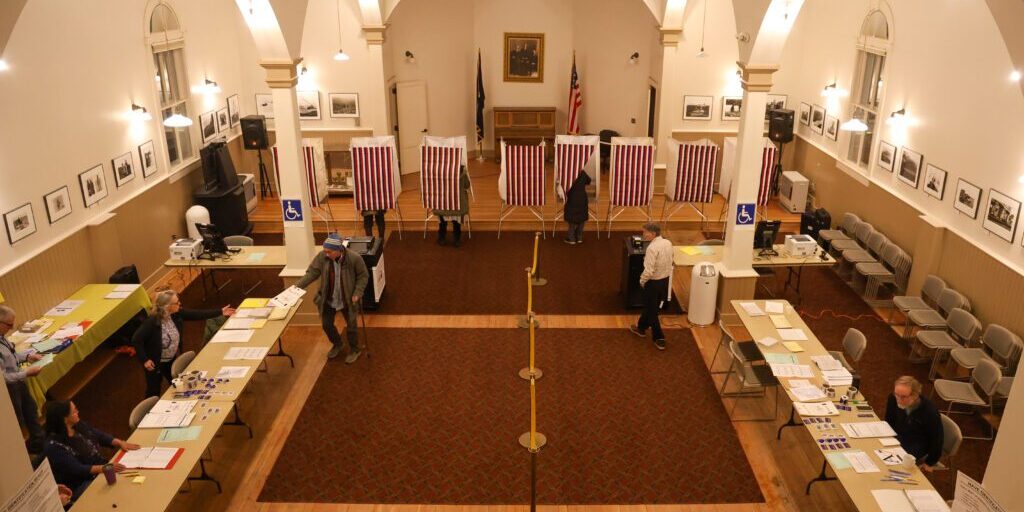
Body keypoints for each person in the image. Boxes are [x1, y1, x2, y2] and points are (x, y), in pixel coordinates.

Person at [132, 290, 234, 397]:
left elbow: (197, 314)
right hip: (155, 363)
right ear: (167, 306)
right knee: (153, 391)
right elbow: (136, 339)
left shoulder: (176, 314)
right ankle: (148, 412)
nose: (179, 304)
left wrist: (220, 312)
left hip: (170, 358)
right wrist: (145, 360)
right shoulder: (151, 322)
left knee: (179, 386)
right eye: (176, 302)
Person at [42, 400, 139, 500]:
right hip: (83, 483)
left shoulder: (76, 425)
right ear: (65, 419)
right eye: (74, 411)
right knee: (121, 492)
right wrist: (105, 468)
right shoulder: (54, 447)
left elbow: (96, 434)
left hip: (101, 469)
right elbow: (78, 469)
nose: (78, 412)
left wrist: (120, 442)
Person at [294, 233, 369, 363]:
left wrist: (358, 292)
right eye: (325, 251)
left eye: (329, 252)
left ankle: (354, 349)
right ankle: (338, 344)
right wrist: (295, 288)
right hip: (327, 299)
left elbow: (363, 276)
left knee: (351, 326)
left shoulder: (354, 258)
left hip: (348, 299)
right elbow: (311, 273)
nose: (326, 254)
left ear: (338, 250)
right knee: (326, 324)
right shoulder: (323, 257)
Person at [0, 305, 46, 452]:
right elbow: (3, 378)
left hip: (18, 383)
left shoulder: (2, 338)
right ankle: (21, 452)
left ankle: (40, 443)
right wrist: (26, 373)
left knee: (30, 410)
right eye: (9, 325)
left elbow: (12, 355)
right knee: (18, 421)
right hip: (9, 389)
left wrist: (27, 356)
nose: (12, 327)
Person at [884, 375, 944, 472]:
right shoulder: (893, 398)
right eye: (896, 394)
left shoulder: (929, 412)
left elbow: (937, 440)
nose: (898, 400)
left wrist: (930, 462)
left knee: (891, 467)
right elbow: (889, 421)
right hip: (898, 435)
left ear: (915, 395)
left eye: (903, 397)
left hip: (916, 443)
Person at [628, 223, 672, 350]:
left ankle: (659, 337)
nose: (643, 235)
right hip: (665, 280)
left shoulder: (652, 248)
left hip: (653, 283)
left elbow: (649, 270)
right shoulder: (667, 243)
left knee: (652, 311)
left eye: (645, 232)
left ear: (653, 234)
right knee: (650, 306)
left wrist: (642, 281)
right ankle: (641, 328)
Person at [434, 166, 471, 247]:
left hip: (443, 204)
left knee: (442, 223)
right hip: (457, 204)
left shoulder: (438, 170)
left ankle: (442, 238)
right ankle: (457, 239)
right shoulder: (461, 171)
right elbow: (467, 185)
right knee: (456, 223)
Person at [562, 171, 592, 244]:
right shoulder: (582, 173)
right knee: (581, 218)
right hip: (582, 197)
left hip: (572, 197)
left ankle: (571, 238)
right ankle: (579, 237)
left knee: (572, 219)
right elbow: (589, 181)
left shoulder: (568, 172)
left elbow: (563, 183)